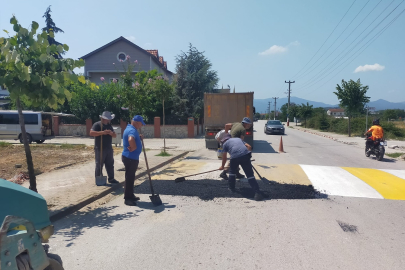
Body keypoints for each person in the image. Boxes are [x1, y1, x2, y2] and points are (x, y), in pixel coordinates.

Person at [219, 133, 266, 201]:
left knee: (232, 173)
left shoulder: (225, 144)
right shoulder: (238, 139)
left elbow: (224, 157)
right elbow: (249, 146)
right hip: (245, 155)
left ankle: (231, 189)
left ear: (224, 140)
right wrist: (248, 156)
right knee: (250, 175)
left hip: (234, 157)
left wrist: (222, 166)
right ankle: (257, 193)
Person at [121, 115, 146, 206]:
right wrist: (134, 147)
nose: (141, 126)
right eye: (140, 124)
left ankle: (131, 195)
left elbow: (133, 137)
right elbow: (130, 138)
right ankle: (127, 198)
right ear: (136, 122)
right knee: (129, 178)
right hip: (130, 158)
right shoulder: (131, 130)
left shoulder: (130, 128)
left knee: (131, 178)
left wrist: (138, 138)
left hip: (131, 158)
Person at [89, 111, 119, 185]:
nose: (109, 120)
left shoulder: (109, 125)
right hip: (100, 148)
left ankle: (111, 178)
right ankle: (98, 178)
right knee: (99, 164)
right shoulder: (97, 124)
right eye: (108, 119)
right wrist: (102, 133)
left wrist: (111, 133)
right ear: (104, 118)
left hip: (109, 148)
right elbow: (91, 133)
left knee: (110, 164)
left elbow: (115, 135)